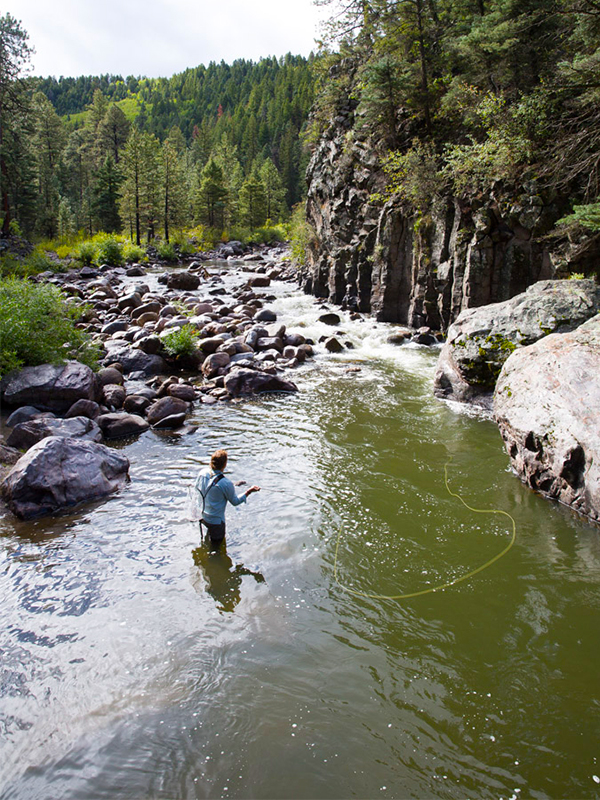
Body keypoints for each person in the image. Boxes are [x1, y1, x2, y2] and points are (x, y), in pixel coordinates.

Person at [194, 449, 260, 546]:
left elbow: (202, 487)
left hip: (202, 516)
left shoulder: (202, 473)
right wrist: (249, 491)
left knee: (207, 540)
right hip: (216, 522)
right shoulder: (226, 483)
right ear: (224, 465)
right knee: (216, 548)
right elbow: (235, 501)